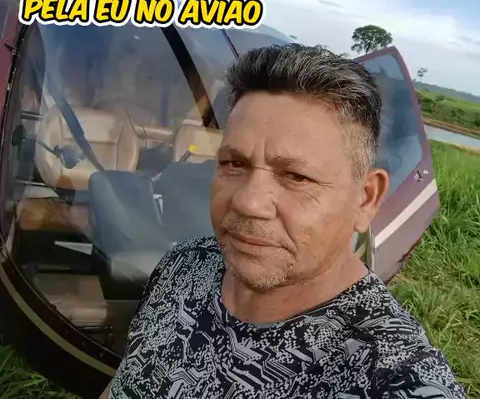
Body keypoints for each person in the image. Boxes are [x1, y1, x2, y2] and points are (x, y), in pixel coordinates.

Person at [101, 44, 466, 399]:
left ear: (366, 198)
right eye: (234, 164)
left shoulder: (392, 376)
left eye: (296, 176)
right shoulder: (185, 264)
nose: (248, 202)